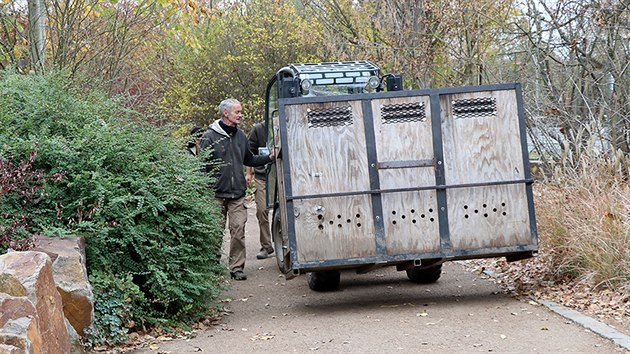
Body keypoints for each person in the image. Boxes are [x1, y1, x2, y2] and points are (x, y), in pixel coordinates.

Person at [200, 98, 275, 281]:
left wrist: (269, 158)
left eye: (241, 112)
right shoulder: (210, 137)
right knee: (214, 233)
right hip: (216, 194)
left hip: (237, 195)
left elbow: (249, 159)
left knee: (238, 232)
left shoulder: (240, 136)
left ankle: (236, 268)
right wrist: (203, 189)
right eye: (237, 112)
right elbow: (202, 166)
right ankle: (211, 269)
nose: (241, 115)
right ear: (226, 114)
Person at [246, 120, 273, 260]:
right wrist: (249, 173)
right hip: (262, 176)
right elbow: (249, 154)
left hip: (282, 176)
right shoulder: (258, 129)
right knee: (262, 210)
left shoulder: (285, 123)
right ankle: (266, 245)